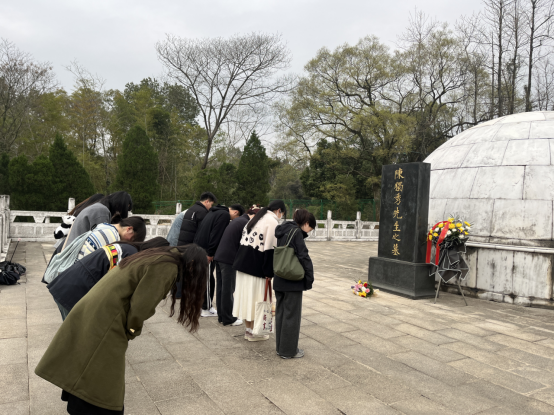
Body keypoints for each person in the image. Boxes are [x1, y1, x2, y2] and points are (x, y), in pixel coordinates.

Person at [35, 245, 208, 416]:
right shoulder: (167, 267)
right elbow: (142, 306)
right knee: (102, 375)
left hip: (97, 308)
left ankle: (78, 403)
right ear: (192, 264)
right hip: (108, 317)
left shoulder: (159, 255)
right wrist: (131, 331)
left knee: (87, 362)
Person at [47, 237, 170, 320]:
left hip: (67, 283)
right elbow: (117, 285)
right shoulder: (131, 255)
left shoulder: (126, 246)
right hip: (74, 290)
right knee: (78, 334)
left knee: (75, 332)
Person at [44, 216, 147, 315]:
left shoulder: (104, 226)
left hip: (67, 281)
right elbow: (111, 274)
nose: (130, 243)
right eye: (133, 239)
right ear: (129, 229)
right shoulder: (111, 237)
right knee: (76, 325)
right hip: (74, 288)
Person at [233, 200, 286, 342]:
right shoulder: (272, 222)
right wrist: (269, 272)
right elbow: (270, 250)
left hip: (243, 264)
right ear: (279, 210)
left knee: (246, 299)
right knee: (256, 300)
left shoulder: (256, 218)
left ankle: (248, 330)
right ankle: (255, 333)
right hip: (256, 267)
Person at [273, 209, 316, 359]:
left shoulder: (282, 230)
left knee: (281, 313)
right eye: (310, 228)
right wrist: (309, 278)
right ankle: (288, 351)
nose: (309, 231)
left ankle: (280, 348)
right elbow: (303, 256)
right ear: (306, 223)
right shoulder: (296, 232)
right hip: (292, 280)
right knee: (291, 316)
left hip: (279, 277)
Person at [194, 204, 245, 317]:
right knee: (207, 279)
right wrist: (210, 253)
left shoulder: (214, 211)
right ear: (236, 212)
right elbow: (216, 234)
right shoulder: (224, 215)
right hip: (206, 250)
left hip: (199, 247)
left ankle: (206, 307)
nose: (233, 220)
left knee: (207, 278)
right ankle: (206, 308)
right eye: (235, 218)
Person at [214, 205, 260, 326]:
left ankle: (222, 316)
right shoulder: (245, 223)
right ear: (253, 216)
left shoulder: (239, 220)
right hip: (228, 259)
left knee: (221, 288)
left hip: (220, 256)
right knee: (228, 289)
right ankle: (229, 318)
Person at [174, 192, 216, 299]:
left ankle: (178, 293)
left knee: (182, 269)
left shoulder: (191, 209)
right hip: (192, 246)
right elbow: (203, 232)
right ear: (207, 201)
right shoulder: (202, 212)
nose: (210, 207)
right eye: (211, 204)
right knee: (192, 271)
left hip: (183, 244)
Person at [63, 192, 133, 249]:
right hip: (75, 253)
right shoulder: (102, 212)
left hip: (73, 249)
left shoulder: (99, 208)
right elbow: (102, 240)